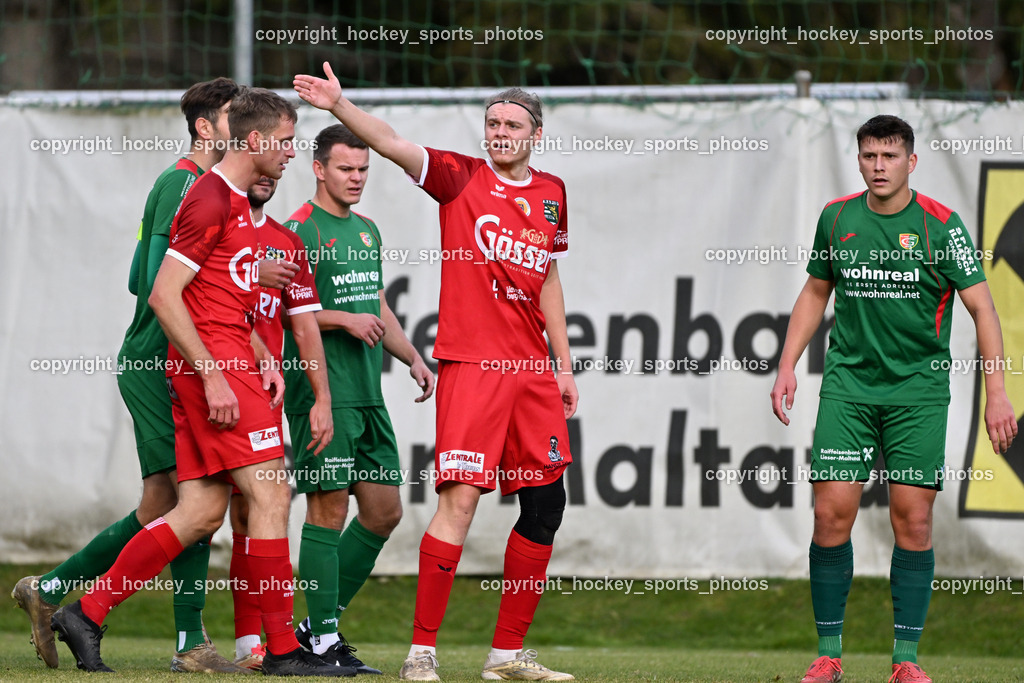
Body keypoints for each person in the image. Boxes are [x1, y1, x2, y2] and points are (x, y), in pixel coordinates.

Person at [48, 87, 351, 678]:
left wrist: (259, 346)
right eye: (287, 143)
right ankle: (285, 652)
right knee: (271, 495)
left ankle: (85, 612)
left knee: (200, 512)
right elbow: (162, 293)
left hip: (231, 361)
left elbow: (217, 292)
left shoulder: (233, 199)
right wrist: (214, 375)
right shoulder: (209, 197)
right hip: (216, 372)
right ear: (257, 141)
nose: (291, 154)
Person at [294, 63, 579, 681]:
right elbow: (392, 143)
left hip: (533, 372)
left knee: (546, 504)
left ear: (536, 134)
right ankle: (421, 652)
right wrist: (341, 105)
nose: (500, 132)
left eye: (513, 124)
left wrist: (562, 364)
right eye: (493, 123)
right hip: (474, 367)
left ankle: (506, 655)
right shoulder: (461, 178)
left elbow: (549, 277)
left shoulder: (552, 192)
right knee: (461, 503)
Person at [12, 77, 255, 674]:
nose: (246, 130)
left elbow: (138, 275)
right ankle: (187, 643)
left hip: (168, 358)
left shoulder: (195, 185)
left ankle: (51, 591)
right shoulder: (186, 185)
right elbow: (152, 285)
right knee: (198, 497)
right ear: (205, 128)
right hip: (160, 360)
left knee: (168, 501)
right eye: (233, 117)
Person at [769, 114, 1017, 683]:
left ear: (911, 161)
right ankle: (828, 655)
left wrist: (997, 393)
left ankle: (904, 661)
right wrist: (787, 364)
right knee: (830, 515)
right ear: (859, 160)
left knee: (914, 522)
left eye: (890, 155)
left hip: (918, 394)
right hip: (849, 390)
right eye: (869, 156)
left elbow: (983, 309)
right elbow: (814, 291)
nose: (879, 166)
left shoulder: (941, 225)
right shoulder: (837, 218)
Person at [281, 123, 434, 674]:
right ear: (318, 168)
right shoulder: (296, 230)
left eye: (364, 170)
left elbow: (377, 304)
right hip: (323, 393)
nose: (357, 179)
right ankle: (321, 642)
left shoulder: (367, 230)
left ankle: (317, 625)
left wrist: (412, 355)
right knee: (329, 507)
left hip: (367, 393)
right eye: (346, 169)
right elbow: (283, 311)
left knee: (383, 511)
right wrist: (342, 318)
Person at [229, 173, 334, 671]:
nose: (270, 175)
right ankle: (212, 639)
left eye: (280, 163)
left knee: (247, 512)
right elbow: (189, 297)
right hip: (216, 381)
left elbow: (304, 322)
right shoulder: (218, 225)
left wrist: (321, 396)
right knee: (208, 513)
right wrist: (251, 274)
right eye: (265, 158)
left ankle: (253, 642)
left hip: (264, 390)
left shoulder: (286, 242)